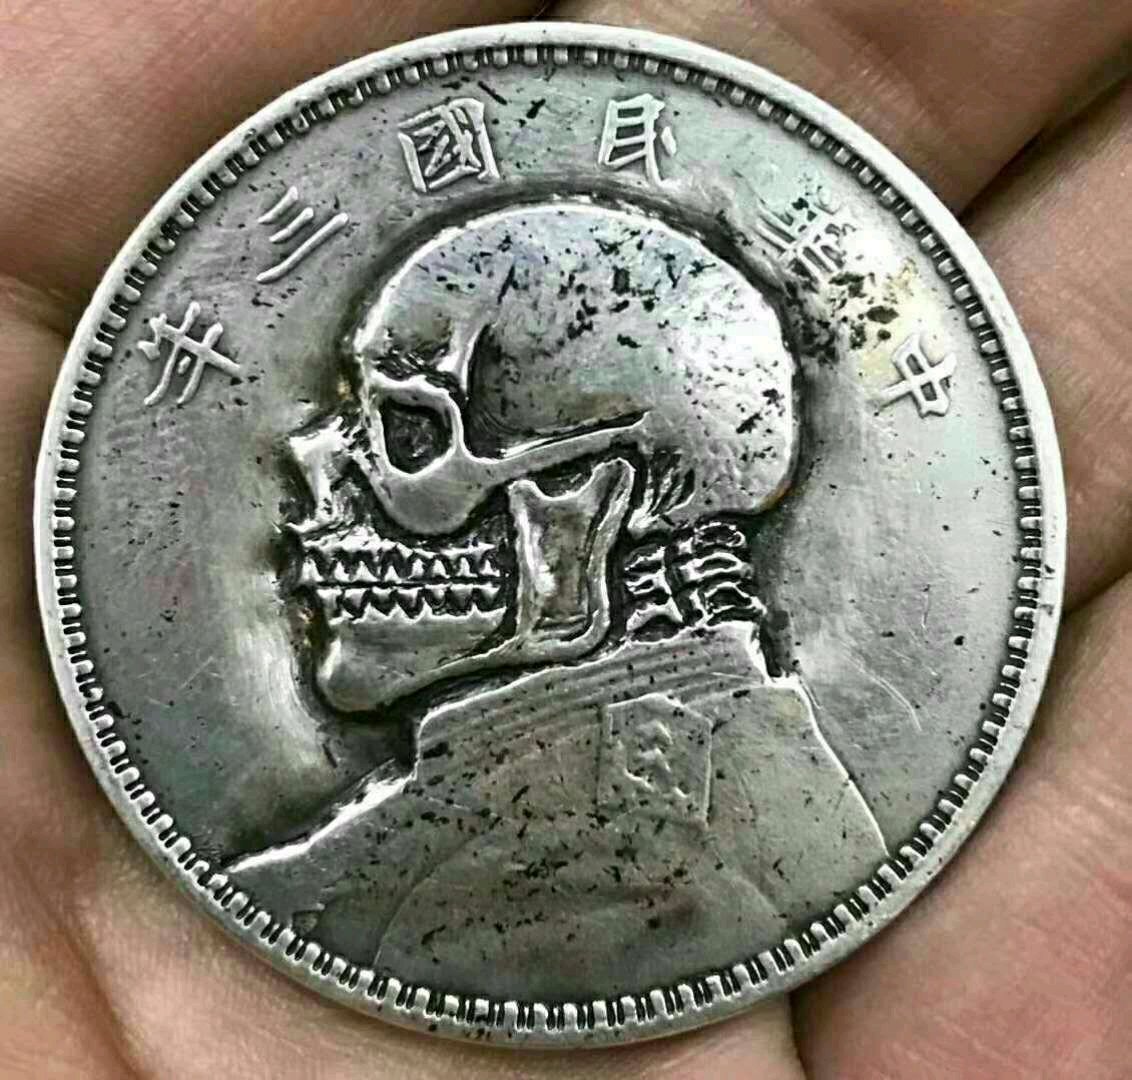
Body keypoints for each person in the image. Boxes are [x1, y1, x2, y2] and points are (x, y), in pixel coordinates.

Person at [1, 2, 1129, 1076]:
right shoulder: (733, 801)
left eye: (404, 428)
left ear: (588, 509)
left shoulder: (617, 860)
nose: (313, 460)